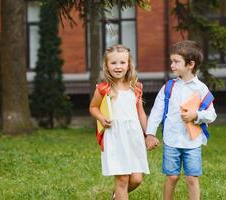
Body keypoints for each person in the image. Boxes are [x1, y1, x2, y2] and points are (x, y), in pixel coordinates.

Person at [145, 40, 217, 200]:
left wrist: (196, 116)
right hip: (171, 140)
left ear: (190, 64)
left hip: (192, 142)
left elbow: (212, 114)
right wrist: (150, 134)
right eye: (172, 61)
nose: (172, 65)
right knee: (172, 177)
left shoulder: (201, 89)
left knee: (192, 178)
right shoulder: (168, 87)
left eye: (176, 62)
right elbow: (156, 111)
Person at [89, 44, 149, 200]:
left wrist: (148, 134)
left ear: (129, 65)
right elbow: (93, 107)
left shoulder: (136, 87)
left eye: (122, 62)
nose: (118, 66)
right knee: (122, 179)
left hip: (134, 136)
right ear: (107, 66)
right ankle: (120, 193)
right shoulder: (103, 88)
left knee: (136, 179)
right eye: (113, 63)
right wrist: (102, 118)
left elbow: (141, 113)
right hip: (115, 136)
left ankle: (117, 196)